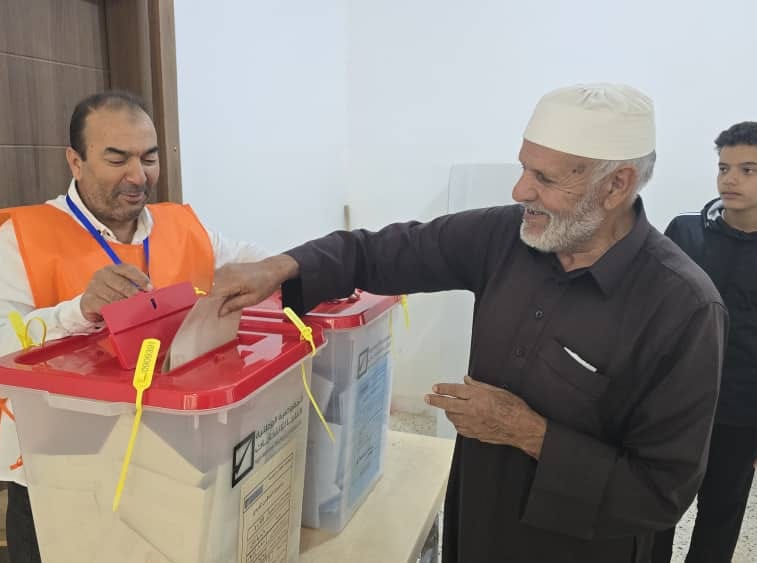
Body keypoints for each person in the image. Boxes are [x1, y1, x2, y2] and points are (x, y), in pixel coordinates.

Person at [211, 83, 727, 562]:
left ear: (616, 186)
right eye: (524, 168)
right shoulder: (507, 236)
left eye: (544, 179)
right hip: (478, 520)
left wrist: (529, 433)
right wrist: (281, 266)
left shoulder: (683, 307)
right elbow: (385, 250)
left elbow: (662, 492)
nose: (519, 190)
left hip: (580, 546)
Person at [0, 91, 267, 563]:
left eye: (149, 158)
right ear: (76, 161)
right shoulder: (21, 237)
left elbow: (260, 267)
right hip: (60, 480)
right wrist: (77, 311)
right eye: (117, 159)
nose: (138, 176)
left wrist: (313, 266)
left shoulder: (185, 226)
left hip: (173, 467)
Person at [652, 121, 757, 563]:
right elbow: (651, 315)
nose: (730, 179)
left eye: (748, 170)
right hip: (673, 402)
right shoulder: (684, 232)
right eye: (724, 168)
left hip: (747, 408)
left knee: (720, 514)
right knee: (653, 508)